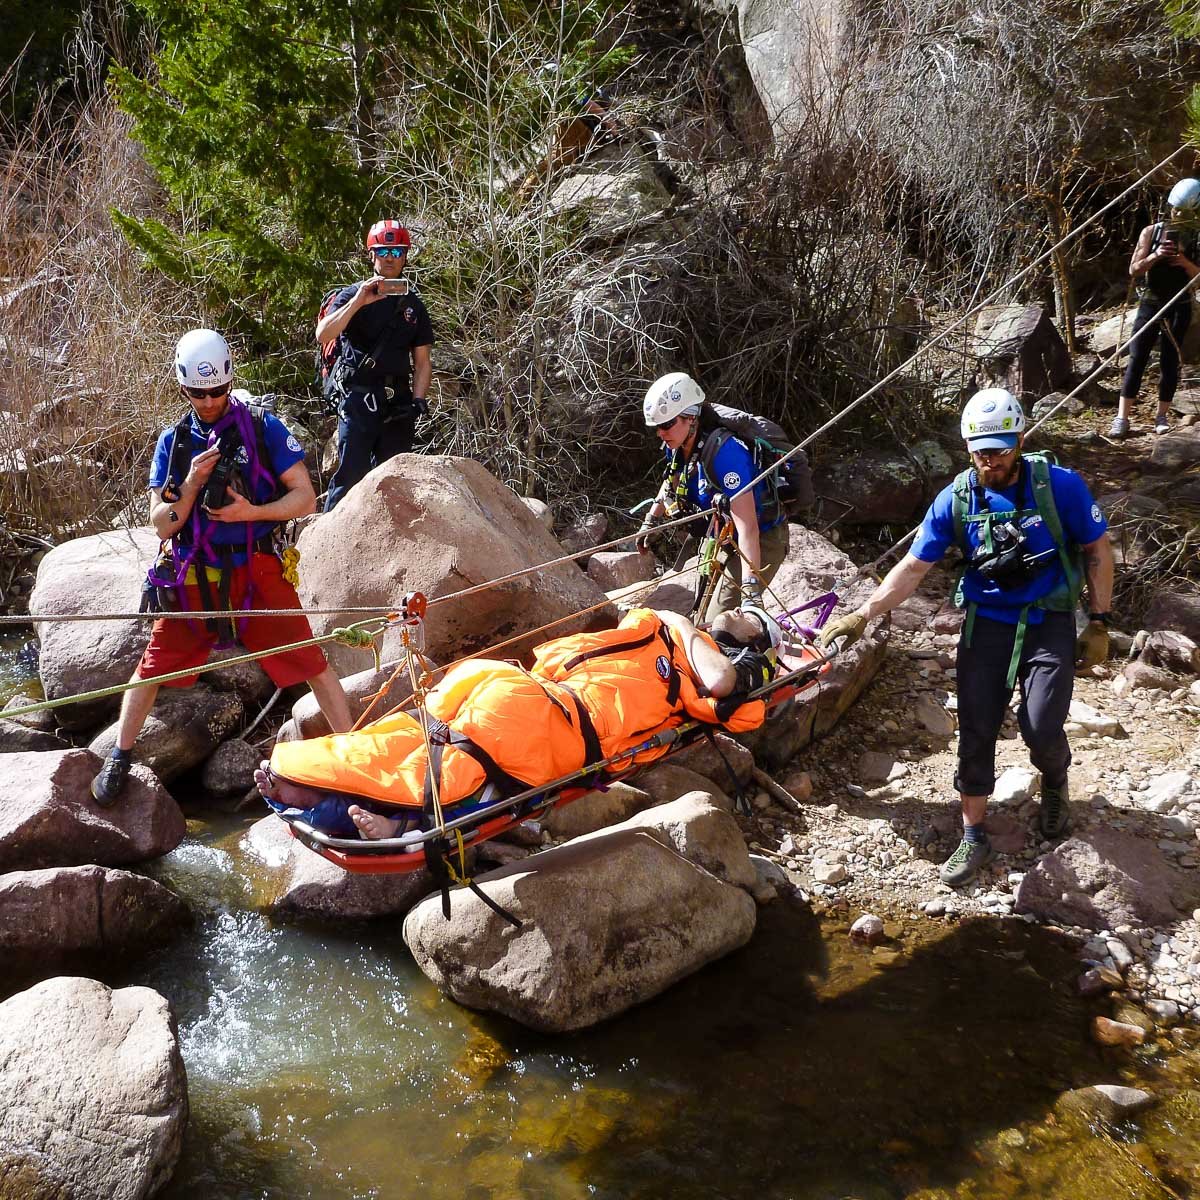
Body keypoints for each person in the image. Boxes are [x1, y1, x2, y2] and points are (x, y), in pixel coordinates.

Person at [819, 389, 1114, 887]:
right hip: (987, 622)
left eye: (999, 449)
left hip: (1049, 619)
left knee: (1041, 725)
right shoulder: (956, 498)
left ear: (1020, 440)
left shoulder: (1059, 486)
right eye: (980, 451)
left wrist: (1101, 621)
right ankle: (973, 833)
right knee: (976, 728)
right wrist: (863, 614)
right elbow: (914, 565)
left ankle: (1056, 782)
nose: (990, 460)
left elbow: (1097, 549)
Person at [90, 329, 353, 806]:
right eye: (199, 392)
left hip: (254, 568)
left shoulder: (262, 427)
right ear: (183, 388)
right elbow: (162, 525)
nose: (210, 401)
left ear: (230, 382)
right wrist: (191, 484)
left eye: (218, 391)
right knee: (149, 669)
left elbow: (305, 498)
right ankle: (120, 757)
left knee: (312, 660)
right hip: (196, 572)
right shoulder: (173, 443)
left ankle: (356, 753)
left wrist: (250, 512)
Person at [255, 605, 780, 839]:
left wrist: (685, 626)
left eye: (749, 617)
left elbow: (722, 685)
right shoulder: (654, 630)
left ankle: (347, 798)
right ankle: (340, 788)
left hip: (553, 714)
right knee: (424, 733)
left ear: (748, 643)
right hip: (543, 701)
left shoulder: (698, 658)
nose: (736, 610)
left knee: (453, 748)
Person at [636, 372, 792, 622]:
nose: (660, 433)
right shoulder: (677, 444)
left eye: (666, 425)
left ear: (691, 417)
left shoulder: (726, 454)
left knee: (718, 626)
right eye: (656, 428)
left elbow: (748, 527)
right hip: (721, 537)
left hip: (760, 540)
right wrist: (650, 522)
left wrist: (751, 589)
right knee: (698, 618)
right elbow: (673, 480)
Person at [317, 219, 435, 511]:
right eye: (383, 251)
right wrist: (359, 301)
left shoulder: (413, 306)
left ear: (406, 256)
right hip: (359, 399)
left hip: (398, 402)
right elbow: (324, 334)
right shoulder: (350, 296)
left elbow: (422, 361)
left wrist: (419, 399)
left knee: (395, 480)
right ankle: (330, 544)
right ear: (371, 255)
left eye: (397, 252)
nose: (390, 258)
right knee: (350, 477)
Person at [1108, 177, 1200, 439]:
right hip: (1150, 302)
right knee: (1137, 357)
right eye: (1175, 209)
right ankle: (1122, 418)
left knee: (1170, 362)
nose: (1177, 214)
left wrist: (1182, 260)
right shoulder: (1152, 232)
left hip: (1179, 305)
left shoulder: (1196, 238)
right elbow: (1134, 270)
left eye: (1184, 211)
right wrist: (1156, 255)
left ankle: (1161, 416)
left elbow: (1198, 277)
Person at [515, 83, 622, 204]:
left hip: (582, 142)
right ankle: (524, 197)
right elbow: (604, 116)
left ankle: (522, 197)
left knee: (552, 161)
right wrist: (617, 135)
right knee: (553, 159)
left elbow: (605, 114)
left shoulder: (569, 100)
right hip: (585, 142)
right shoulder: (579, 99)